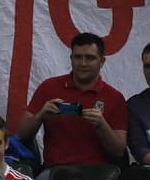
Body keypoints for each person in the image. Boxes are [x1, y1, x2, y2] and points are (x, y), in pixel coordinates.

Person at [21, 33, 129, 167]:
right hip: (55, 171)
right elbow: (22, 135)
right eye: (78, 57)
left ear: (102, 61)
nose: (83, 63)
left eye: (90, 58)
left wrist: (102, 125)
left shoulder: (115, 97)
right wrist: (40, 116)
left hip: (98, 173)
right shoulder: (49, 87)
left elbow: (118, 151)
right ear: (71, 59)